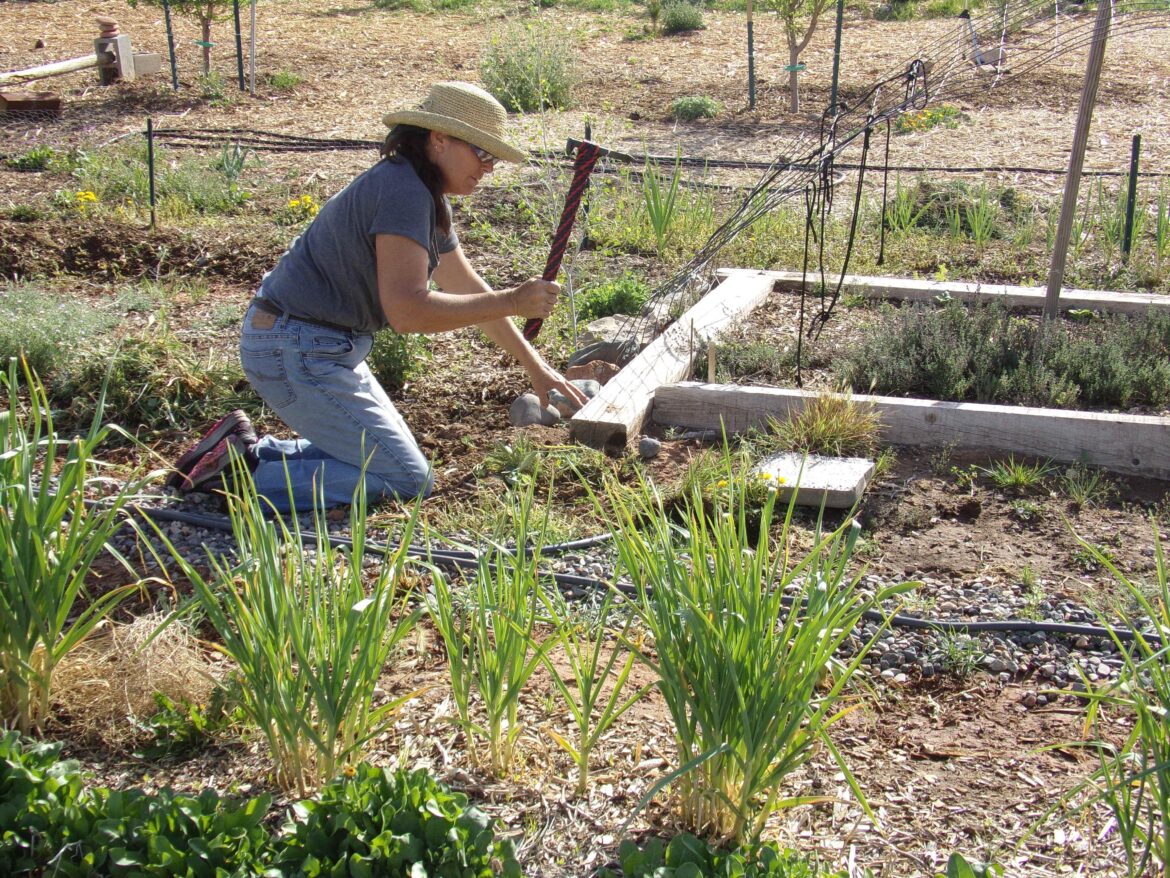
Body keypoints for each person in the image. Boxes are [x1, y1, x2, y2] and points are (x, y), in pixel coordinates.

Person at [168, 81, 587, 513]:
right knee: (405, 478)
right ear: (439, 139)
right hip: (295, 348)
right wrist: (514, 301)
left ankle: (251, 452)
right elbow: (408, 311)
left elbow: (466, 287)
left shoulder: (420, 192)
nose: (489, 168)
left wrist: (536, 368)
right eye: (482, 153)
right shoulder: (403, 191)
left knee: (385, 460)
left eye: (493, 157)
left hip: (308, 344)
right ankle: (236, 481)